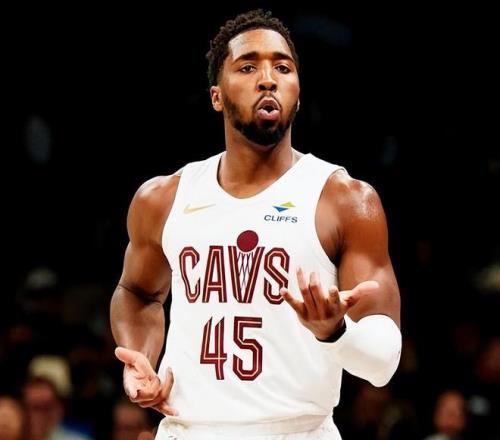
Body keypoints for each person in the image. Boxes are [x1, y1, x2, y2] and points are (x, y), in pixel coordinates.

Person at [110, 9, 402, 440]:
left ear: (297, 93)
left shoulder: (345, 200)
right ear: (216, 96)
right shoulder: (163, 198)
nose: (268, 79)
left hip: (298, 431)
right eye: (248, 67)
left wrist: (336, 332)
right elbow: (137, 291)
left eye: (282, 68)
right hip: (188, 429)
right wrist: (140, 357)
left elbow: (384, 363)